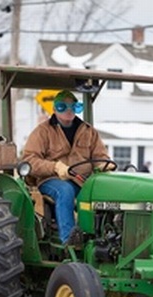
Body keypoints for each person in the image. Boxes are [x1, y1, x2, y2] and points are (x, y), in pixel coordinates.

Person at [22, 90, 110, 245]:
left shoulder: (89, 132)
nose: (69, 111)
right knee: (65, 190)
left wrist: (104, 166)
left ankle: (101, 240)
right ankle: (69, 241)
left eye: (73, 106)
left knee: (103, 191)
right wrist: (55, 166)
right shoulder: (42, 132)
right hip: (51, 180)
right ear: (54, 109)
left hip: (82, 181)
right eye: (62, 107)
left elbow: (101, 158)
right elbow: (30, 160)